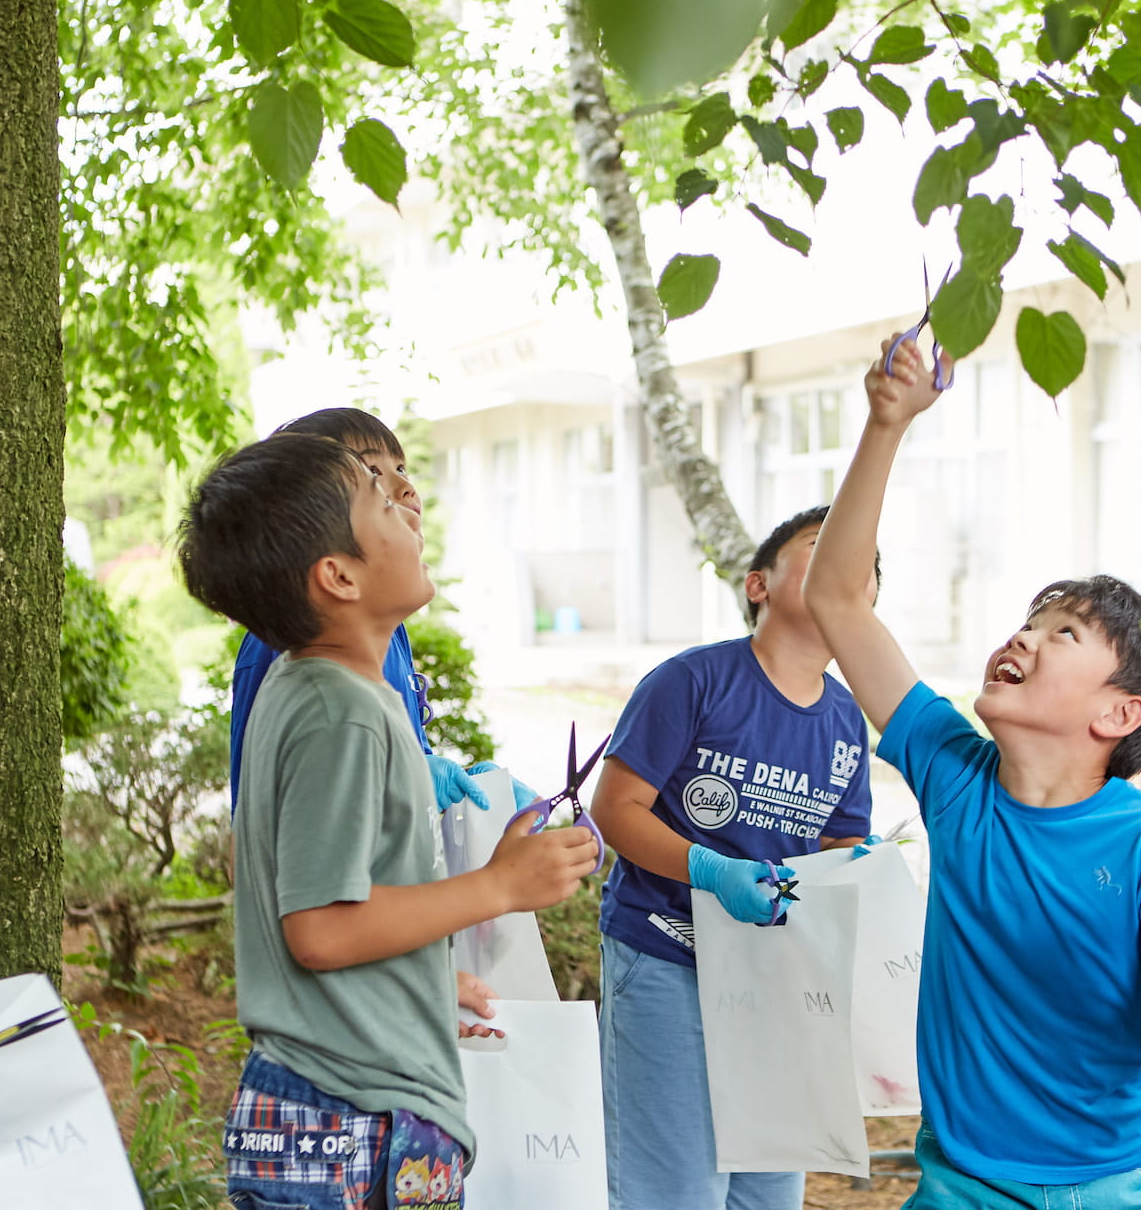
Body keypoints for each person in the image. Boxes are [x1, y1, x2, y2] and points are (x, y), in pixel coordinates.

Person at [802, 330, 1141, 1207]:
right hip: (968, 1183)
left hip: (1126, 1185)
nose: (1024, 637)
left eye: (1063, 633)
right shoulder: (956, 777)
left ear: (1118, 714)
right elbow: (835, 599)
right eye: (1029, 622)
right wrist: (888, 424)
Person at [180, 432, 599, 1210]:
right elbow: (320, 929)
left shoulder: (325, 690)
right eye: (380, 498)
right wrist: (499, 887)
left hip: (351, 1103)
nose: (409, 509)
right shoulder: (338, 711)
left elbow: (343, 901)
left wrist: (418, 987)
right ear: (338, 575)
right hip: (346, 1117)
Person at [587, 504, 876, 1210]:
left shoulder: (846, 720)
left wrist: (864, 868)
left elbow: (839, 841)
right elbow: (615, 809)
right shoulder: (693, 680)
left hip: (779, 982)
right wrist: (711, 872)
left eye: (865, 560)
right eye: (822, 545)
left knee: (768, 1192)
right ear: (758, 584)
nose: (845, 559)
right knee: (674, 1192)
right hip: (667, 960)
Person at [226, 408, 530, 817]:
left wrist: (456, 785)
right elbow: (266, 813)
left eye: (402, 468)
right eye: (373, 473)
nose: (406, 488)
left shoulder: (387, 633)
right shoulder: (282, 644)